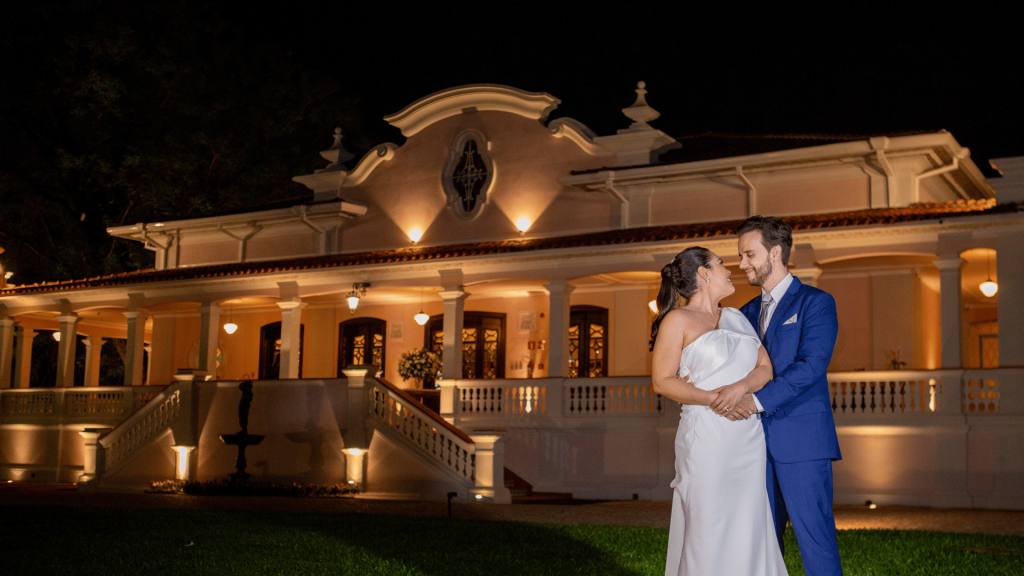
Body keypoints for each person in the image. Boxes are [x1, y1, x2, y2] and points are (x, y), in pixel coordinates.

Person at [651, 247, 787, 576]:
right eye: (722, 263)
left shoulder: (737, 318)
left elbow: (765, 368)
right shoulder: (677, 320)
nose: (730, 269)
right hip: (706, 438)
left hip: (746, 437)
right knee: (708, 524)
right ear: (703, 273)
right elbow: (662, 381)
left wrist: (738, 390)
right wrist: (716, 399)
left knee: (748, 520)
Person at [725, 215, 843, 576]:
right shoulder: (743, 314)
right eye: (740, 256)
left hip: (803, 443)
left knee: (815, 540)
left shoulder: (816, 302)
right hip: (752, 446)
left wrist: (756, 401)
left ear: (775, 253)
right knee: (760, 542)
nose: (742, 263)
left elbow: (810, 366)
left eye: (749, 254)